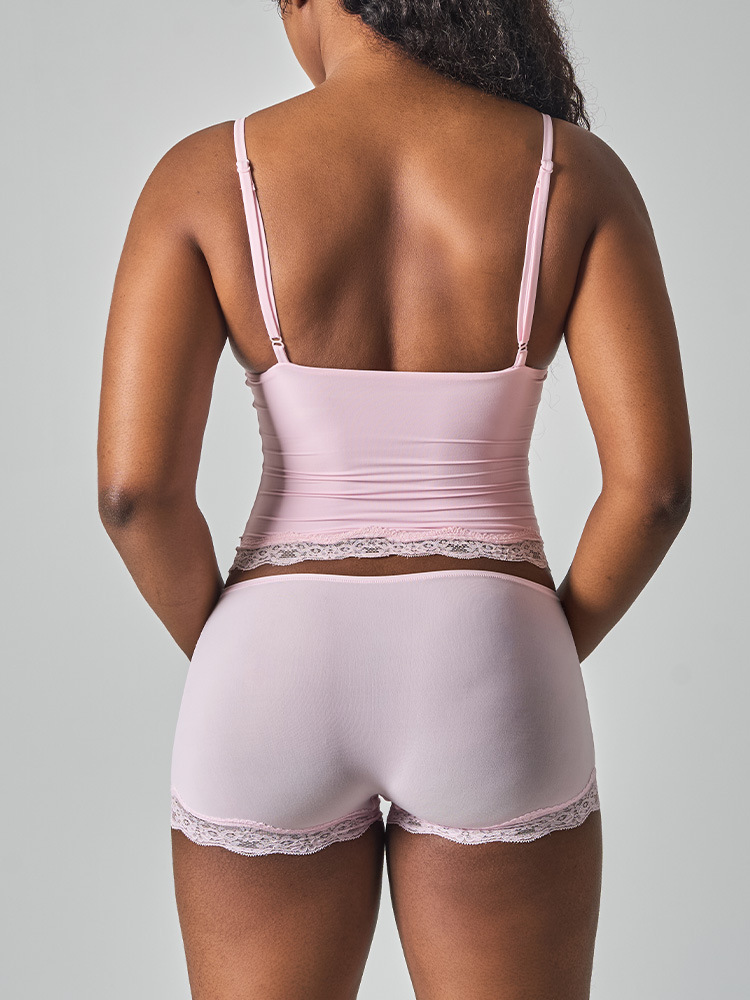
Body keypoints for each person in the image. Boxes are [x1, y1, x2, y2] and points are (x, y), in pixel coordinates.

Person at [97, 0, 692, 995]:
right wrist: (528, 644)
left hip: (272, 657)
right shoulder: (574, 173)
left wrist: (247, 652)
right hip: (494, 650)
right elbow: (654, 490)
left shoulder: (203, 176)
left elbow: (135, 495)